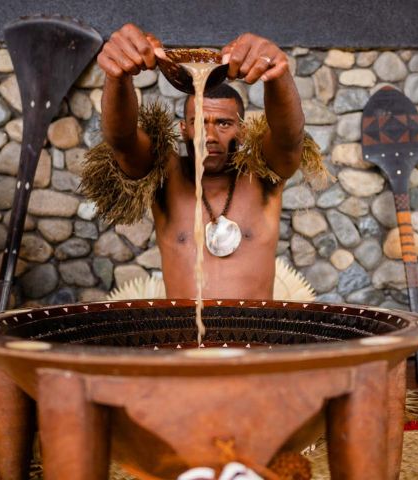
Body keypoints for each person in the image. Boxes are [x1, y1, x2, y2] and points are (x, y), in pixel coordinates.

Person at [82, 24, 326, 300]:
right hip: (182, 340)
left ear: (243, 129)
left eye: (223, 123)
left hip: (255, 339)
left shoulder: (262, 179)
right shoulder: (166, 177)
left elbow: (288, 139)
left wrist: (277, 74)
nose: (209, 136)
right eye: (199, 123)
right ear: (183, 128)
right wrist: (118, 76)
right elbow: (123, 142)